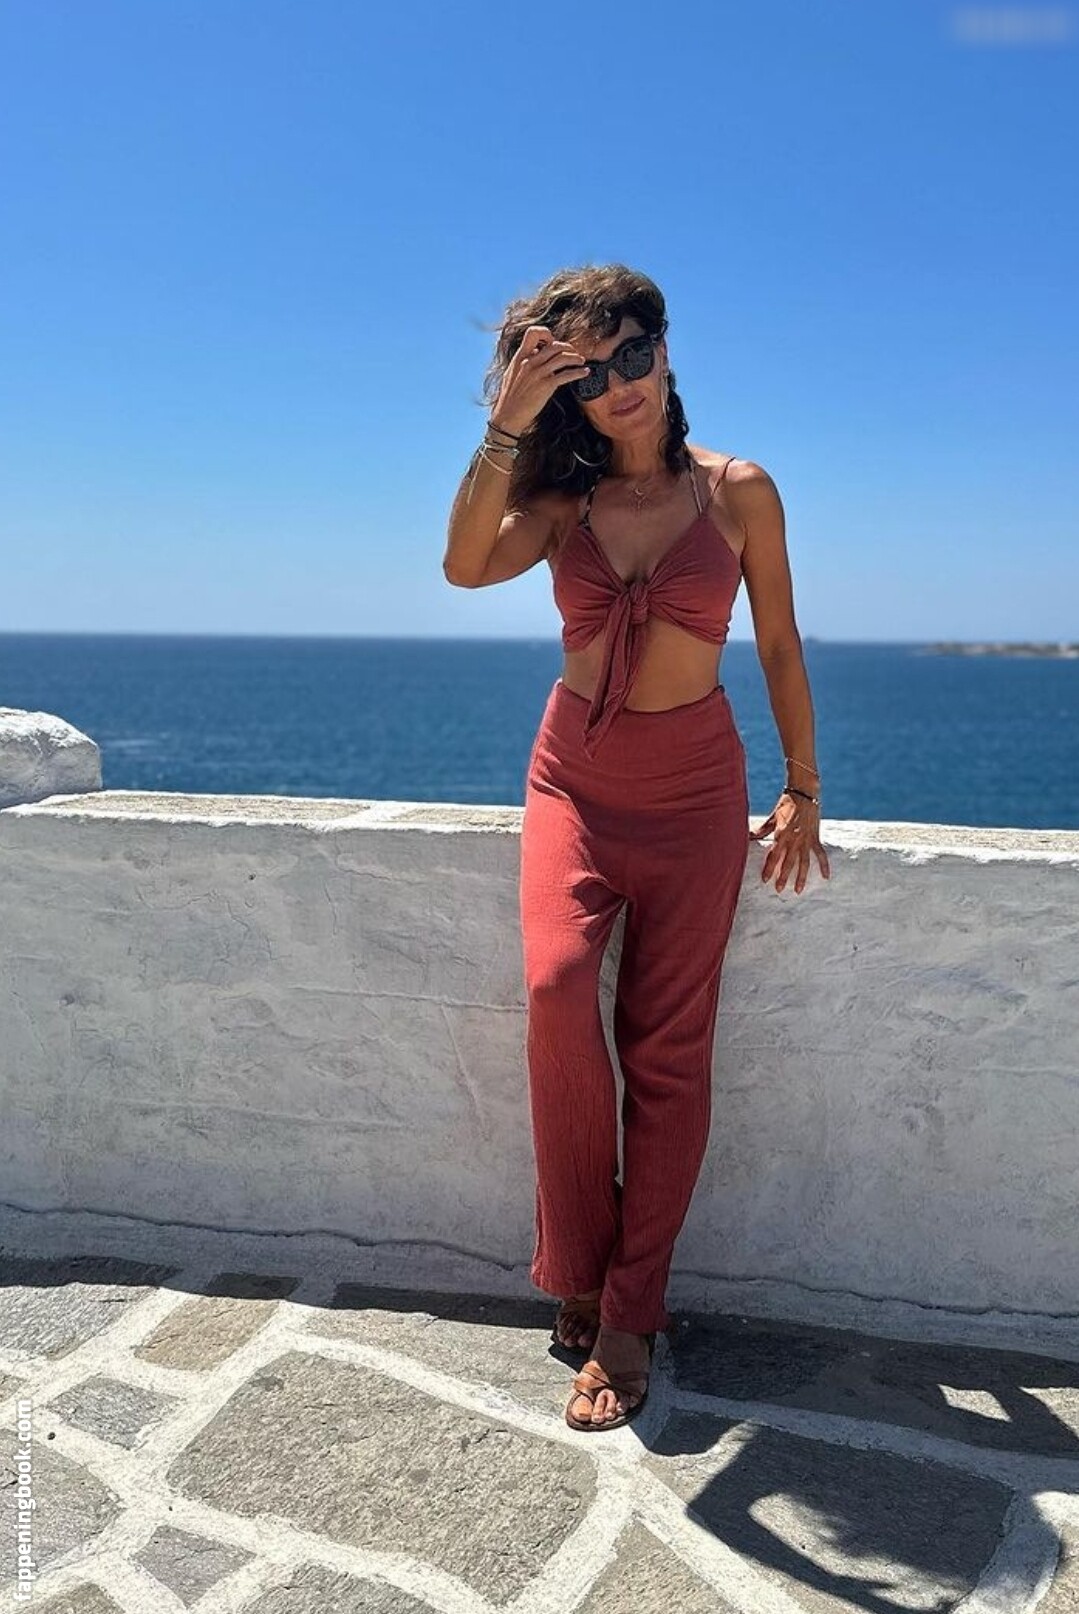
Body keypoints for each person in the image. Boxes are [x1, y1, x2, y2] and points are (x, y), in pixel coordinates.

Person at [443, 264, 829, 1433]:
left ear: (663, 352)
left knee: (665, 1051)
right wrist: (509, 419)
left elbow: (777, 644)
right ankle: (578, 1258)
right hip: (571, 778)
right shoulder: (559, 503)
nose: (617, 384)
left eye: (631, 355)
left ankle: (626, 1311)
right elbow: (464, 563)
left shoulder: (738, 491)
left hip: (694, 788)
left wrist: (802, 784)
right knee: (556, 991)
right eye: (588, 371)